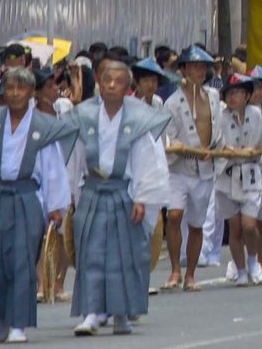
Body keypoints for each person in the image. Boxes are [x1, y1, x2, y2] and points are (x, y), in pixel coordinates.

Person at [0, 65, 72, 344]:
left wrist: (56, 206)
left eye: (22, 88)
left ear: (32, 92)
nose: (16, 93)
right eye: (10, 88)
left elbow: (53, 169)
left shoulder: (42, 128)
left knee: (21, 262)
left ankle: (18, 323)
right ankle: (1, 316)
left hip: (28, 199)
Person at [69, 56, 168, 338]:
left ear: (128, 87)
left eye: (119, 81)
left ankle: (122, 313)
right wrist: (71, 194)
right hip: (92, 190)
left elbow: (147, 160)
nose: (111, 86)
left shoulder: (138, 118)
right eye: (107, 81)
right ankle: (91, 312)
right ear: (99, 84)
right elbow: (75, 157)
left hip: (123, 191)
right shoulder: (84, 115)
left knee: (122, 256)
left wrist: (143, 198)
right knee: (90, 254)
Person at [156, 47, 219, 290]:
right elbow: (168, 138)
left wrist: (216, 148)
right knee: (174, 215)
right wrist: (179, 147)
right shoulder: (172, 103)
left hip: (204, 166)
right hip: (179, 168)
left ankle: (190, 274)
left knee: (196, 223)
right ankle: (175, 270)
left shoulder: (213, 97)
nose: (199, 72)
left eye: (202, 67)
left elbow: (218, 129)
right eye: (194, 67)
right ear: (183, 69)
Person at [211, 72, 262, 284]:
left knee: (249, 224)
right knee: (235, 227)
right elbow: (215, 143)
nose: (233, 97)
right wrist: (228, 150)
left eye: (238, 92)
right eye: (229, 93)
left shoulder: (255, 114)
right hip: (227, 175)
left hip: (249, 173)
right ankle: (240, 270)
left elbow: (261, 143)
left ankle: (254, 263)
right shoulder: (220, 115)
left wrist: (252, 151)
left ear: (247, 95)